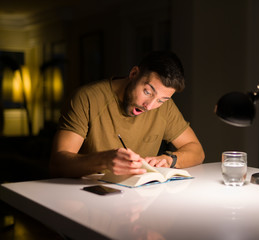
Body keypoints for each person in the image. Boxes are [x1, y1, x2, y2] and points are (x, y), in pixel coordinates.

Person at [49, 51, 205, 178]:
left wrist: (168, 160)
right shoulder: (87, 98)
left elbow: (197, 151)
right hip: (87, 197)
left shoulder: (164, 108)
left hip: (138, 200)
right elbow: (57, 164)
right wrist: (104, 160)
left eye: (162, 100)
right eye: (147, 92)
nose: (149, 106)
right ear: (134, 73)